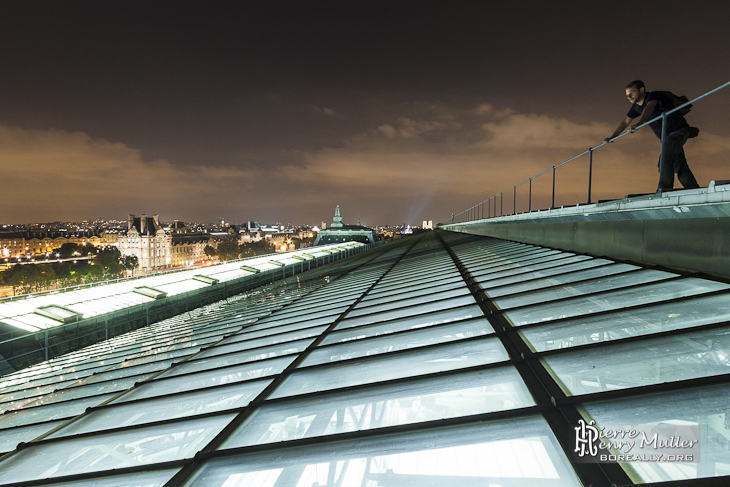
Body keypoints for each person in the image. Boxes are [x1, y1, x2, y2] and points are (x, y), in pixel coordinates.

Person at [604, 80, 699, 191]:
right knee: (679, 164)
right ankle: (693, 188)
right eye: (627, 95)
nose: (629, 97)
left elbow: (649, 107)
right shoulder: (636, 107)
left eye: (631, 93)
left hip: (678, 131)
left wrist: (640, 123)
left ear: (642, 90)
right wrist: (612, 137)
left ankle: (664, 190)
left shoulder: (653, 96)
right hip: (666, 137)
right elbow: (625, 122)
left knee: (664, 161)